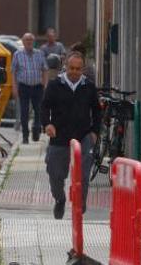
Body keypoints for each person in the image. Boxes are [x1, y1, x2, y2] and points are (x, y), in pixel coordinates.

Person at [41, 52, 99, 219]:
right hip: (59, 137)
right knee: (55, 174)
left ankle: (80, 205)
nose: (74, 72)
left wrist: (95, 131)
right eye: (71, 68)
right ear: (66, 66)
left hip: (83, 137)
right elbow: (44, 107)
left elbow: (96, 110)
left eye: (78, 69)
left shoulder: (88, 86)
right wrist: (47, 124)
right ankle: (60, 199)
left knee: (83, 176)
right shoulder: (54, 85)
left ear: (83, 69)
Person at [12, 33, 48, 144]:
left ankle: (36, 131)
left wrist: (44, 84)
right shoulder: (18, 54)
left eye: (31, 40)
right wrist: (14, 87)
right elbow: (13, 72)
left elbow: (45, 69)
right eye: (27, 40)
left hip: (37, 87)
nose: (29, 42)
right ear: (23, 42)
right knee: (24, 112)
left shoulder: (39, 54)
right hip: (24, 87)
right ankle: (25, 136)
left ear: (34, 42)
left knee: (39, 111)